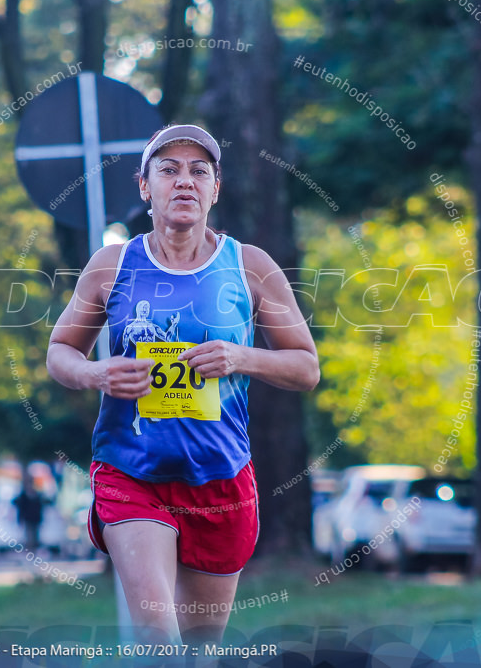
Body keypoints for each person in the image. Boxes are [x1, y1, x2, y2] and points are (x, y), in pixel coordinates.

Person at [47, 124, 319, 644]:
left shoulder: (249, 265)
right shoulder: (112, 265)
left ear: (216, 188)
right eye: (169, 170)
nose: (185, 182)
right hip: (131, 470)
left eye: (200, 171)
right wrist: (94, 373)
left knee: (199, 649)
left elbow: (306, 367)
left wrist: (241, 356)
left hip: (220, 475)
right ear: (145, 186)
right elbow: (61, 351)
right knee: (158, 639)